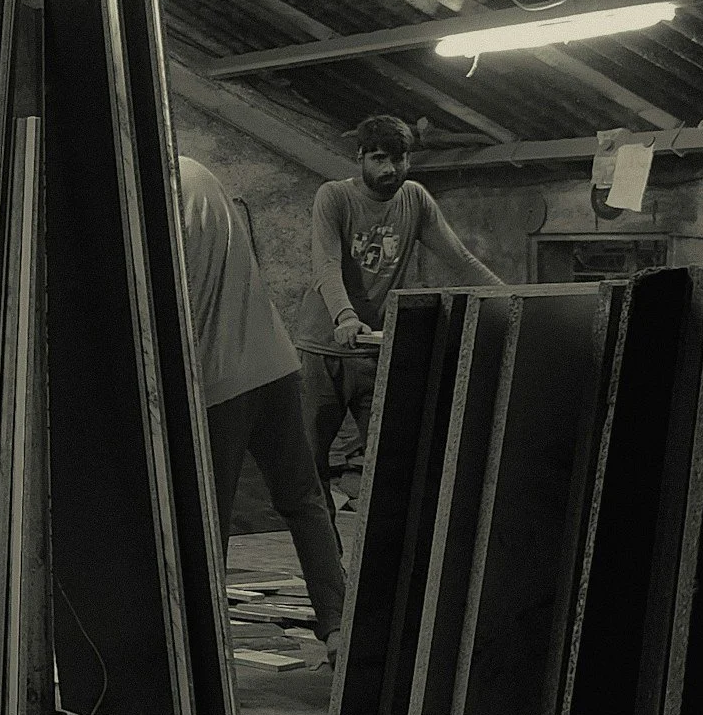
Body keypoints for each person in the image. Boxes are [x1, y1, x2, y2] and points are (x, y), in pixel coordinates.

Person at [177, 155, 351, 651]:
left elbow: (176, 301)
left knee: (210, 520)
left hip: (219, 380)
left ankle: (201, 649)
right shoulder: (202, 176)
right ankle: (338, 625)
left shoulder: (165, 199)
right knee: (304, 499)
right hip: (274, 361)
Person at [293, 115, 501, 494]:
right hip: (324, 349)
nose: (391, 169)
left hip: (375, 350)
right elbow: (326, 265)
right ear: (360, 157)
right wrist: (345, 316)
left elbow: (460, 259)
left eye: (400, 159)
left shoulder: (415, 199)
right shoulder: (335, 197)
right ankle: (322, 552)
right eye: (379, 159)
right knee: (310, 463)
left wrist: (510, 299)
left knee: (389, 458)